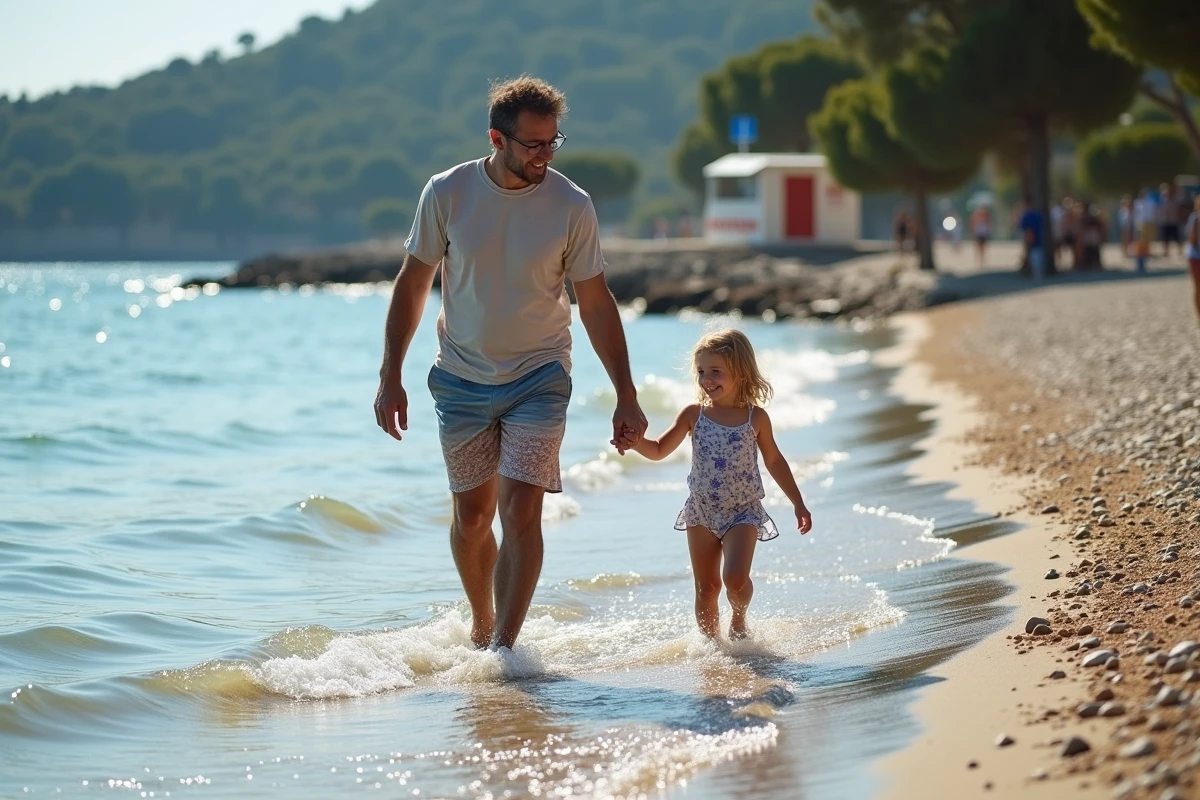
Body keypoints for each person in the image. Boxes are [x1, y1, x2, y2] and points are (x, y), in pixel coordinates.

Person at [373, 75, 648, 651]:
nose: (545, 155)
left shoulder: (572, 205)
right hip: (461, 377)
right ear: (497, 138)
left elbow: (595, 301)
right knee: (472, 519)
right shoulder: (446, 193)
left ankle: (503, 652)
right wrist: (390, 375)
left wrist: (626, 392)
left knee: (521, 507)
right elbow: (413, 283)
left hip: (540, 374)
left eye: (554, 142)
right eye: (533, 145)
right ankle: (481, 623)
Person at [622, 329, 813, 640]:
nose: (706, 379)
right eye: (700, 371)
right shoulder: (693, 415)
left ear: (740, 371)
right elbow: (657, 450)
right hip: (701, 511)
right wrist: (635, 443)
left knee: (735, 580)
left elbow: (775, 461)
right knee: (707, 588)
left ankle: (739, 619)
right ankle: (713, 649)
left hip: (743, 511)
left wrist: (798, 503)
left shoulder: (757, 419)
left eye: (715, 371)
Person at [1018, 199, 1046, 279]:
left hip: (1032, 239)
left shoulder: (1026, 216)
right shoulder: (1038, 214)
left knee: (1034, 256)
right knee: (1039, 254)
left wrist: (1027, 240)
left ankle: (1036, 273)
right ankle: (1039, 272)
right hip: (1039, 239)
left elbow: (1027, 230)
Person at [1185, 195, 1200, 318]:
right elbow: (1192, 239)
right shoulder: (1195, 219)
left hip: (1194, 255)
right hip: (1196, 255)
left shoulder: (1194, 218)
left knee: (1198, 287)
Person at [1159, 182, 1182, 259]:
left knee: (1177, 237)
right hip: (1165, 221)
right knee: (1165, 238)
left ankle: (1179, 251)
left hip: (1173, 221)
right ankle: (1166, 252)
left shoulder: (1175, 200)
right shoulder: (1163, 201)